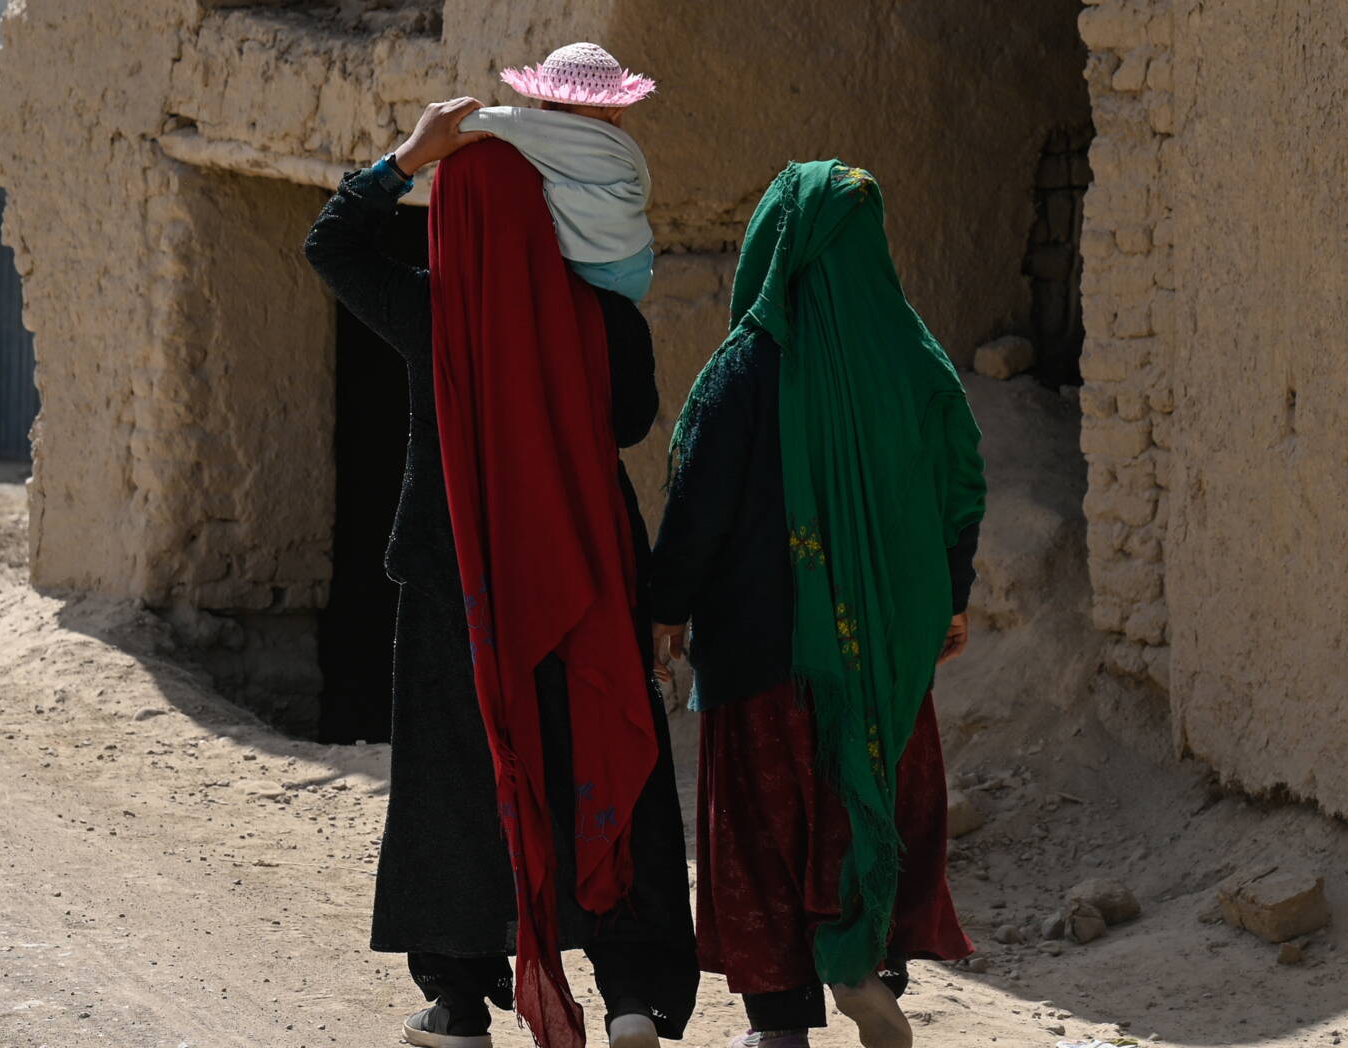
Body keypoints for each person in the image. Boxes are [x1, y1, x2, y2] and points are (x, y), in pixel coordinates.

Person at [304, 98, 699, 1048]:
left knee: (458, 786)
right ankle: (631, 996)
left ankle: (456, 1003)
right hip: (587, 579)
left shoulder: (433, 309)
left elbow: (332, 246)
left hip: (458, 588)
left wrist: (404, 159)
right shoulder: (607, 322)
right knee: (601, 766)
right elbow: (633, 422)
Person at [647, 162, 986, 1048]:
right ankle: (863, 962)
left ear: (778, 244)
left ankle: (780, 1024)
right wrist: (951, 600)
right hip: (884, 657)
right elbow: (959, 484)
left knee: (765, 833)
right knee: (867, 803)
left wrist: (665, 608)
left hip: (762, 659)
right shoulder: (914, 361)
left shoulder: (746, 368)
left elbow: (698, 506)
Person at [456, 42, 657, 302]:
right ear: (614, 108)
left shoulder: (547, 130)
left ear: (547, 106)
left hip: (592, 270)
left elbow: (478, 121)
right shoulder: (623, 143)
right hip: (638, 262)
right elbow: (644, 188)